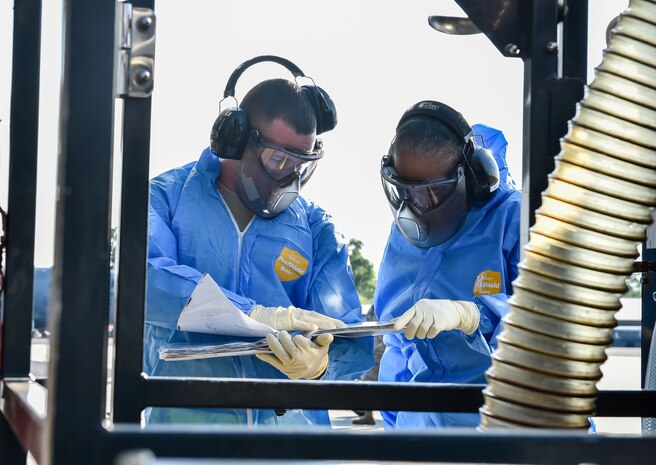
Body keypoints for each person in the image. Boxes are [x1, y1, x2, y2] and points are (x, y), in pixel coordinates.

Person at [144, 56, 373, 426]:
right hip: (186, 435)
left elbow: (350, 336)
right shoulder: (166, 198)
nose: (288, 178)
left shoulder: (316, 228)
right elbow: (145, 281)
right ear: (235, 140)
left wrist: (320, 366)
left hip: (289, 441)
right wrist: (250, 315)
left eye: (301, 165)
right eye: (278, 159)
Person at [375, 100, 521, 428]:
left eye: (433, 192)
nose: (419, 207)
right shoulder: (406, 232)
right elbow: (397, 346)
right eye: (407, 192)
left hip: (504, 433)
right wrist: (394, 428)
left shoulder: (515, 218)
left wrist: (472, 315)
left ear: (474, 175)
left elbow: (550, 333)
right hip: (423, 437)